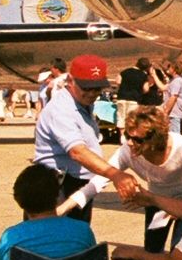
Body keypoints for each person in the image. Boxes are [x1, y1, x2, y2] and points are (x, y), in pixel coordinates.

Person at [57, 105, 182, 250]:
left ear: (156, 138)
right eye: (127, 136)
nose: (129, 142)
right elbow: (97, 182)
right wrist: (64, 207)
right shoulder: (127, 151)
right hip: (156, 200)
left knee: (181, 248)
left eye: (136, 139)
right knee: (152, 249)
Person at [32, 52, 137, 222]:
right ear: (70, 81)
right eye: (86, 88)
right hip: (57, 187)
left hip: (77, 185)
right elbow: (77, 152)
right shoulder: (62, 110)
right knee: (52, 240)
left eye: (97, 89)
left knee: (76, 238)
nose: (92, 94)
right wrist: (115, 174)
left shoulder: (82, 104)